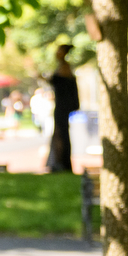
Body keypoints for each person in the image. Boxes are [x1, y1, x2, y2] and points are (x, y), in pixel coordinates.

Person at [47, 44, 79, 174]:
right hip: (60, 105)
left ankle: (62, 163)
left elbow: (63, 85)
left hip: (63, 107)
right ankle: (58, 162)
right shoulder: (62, 67)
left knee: (62, 133)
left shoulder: (65, 67)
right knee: (59, 133)